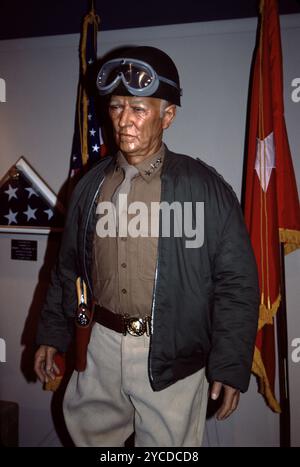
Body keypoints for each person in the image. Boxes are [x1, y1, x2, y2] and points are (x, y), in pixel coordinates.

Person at [34, 46, 259, 447]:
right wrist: (53, 333)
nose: (124, 121)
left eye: (138, 109)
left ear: (167, 116)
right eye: (117, 107)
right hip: (99, 349)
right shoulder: (88, 187)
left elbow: (236, 282)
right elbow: (66, 270)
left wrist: (229, 363)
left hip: (172, 353)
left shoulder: (204, 188)